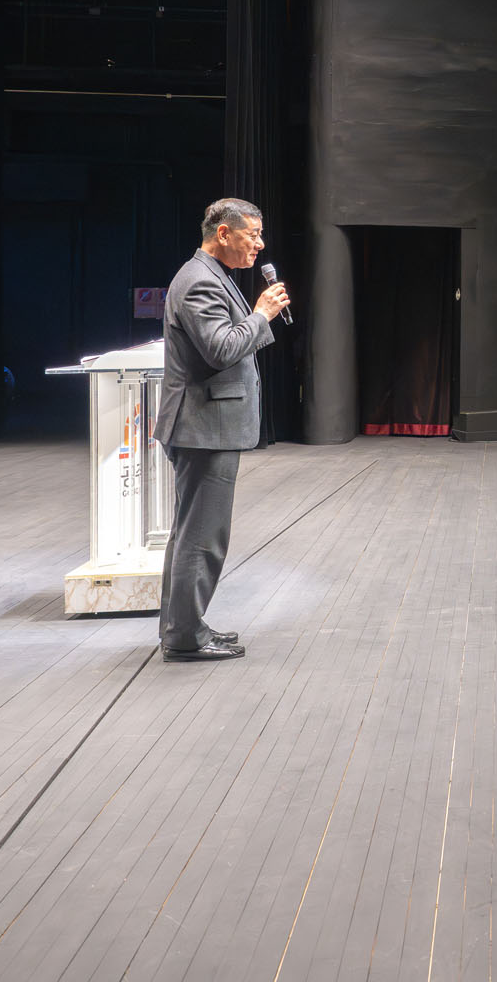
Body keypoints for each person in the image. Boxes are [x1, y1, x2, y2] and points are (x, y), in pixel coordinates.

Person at [153, 197, 288, 663]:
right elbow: (221, 348)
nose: (260, 243)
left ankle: (183, 627)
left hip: (204, 425)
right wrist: (262, 313)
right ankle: (184, 639)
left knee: (191, 533)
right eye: (253, 234)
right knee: (201, 538)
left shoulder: (213, 275)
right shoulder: (198, 281)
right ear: (224, 233)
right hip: (202, 426)